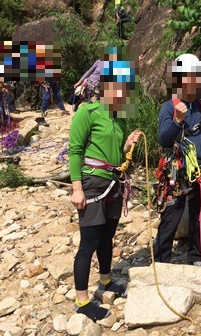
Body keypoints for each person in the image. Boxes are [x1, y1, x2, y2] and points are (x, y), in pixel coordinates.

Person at [68, 47, 141, 321]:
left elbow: (116, 153)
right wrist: (77, 187)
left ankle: (107, 281)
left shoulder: (120, 118)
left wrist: (127, 144)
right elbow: (75, 151)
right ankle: (82, 300)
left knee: (107, 237)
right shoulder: (87, 113)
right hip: (92, 182)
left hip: (112, 181)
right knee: (88, 242)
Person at [154, 53, 201, 272]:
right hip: (177, 172)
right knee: (171, 216)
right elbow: (164, 139)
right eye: (188, 77)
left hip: (200, 172)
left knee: (198, 215)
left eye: (195, 77)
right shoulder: (170, 107)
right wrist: (177, 120)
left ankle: (196, 255)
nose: (193, 82)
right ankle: (161, 260)